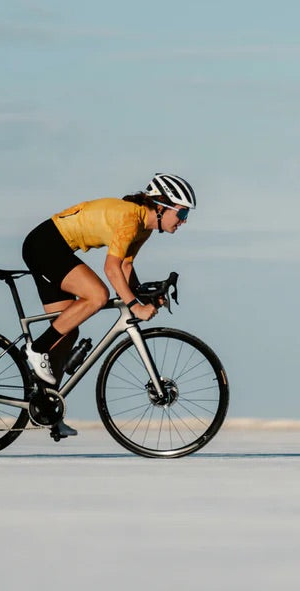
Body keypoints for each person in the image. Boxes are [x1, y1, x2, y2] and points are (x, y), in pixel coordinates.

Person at [20, 173, 196, 437]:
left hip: (53, 248)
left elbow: (125, 266)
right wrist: (134, 306)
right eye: (181, 214)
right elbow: (111, 269)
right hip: (46, 245)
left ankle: (46, 408)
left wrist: (143, 294)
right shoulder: (131, 219)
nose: (183, 222)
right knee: (97, 296)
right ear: (161, 207)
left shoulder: (145, 227)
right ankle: (37, 349)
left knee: (69, 330)